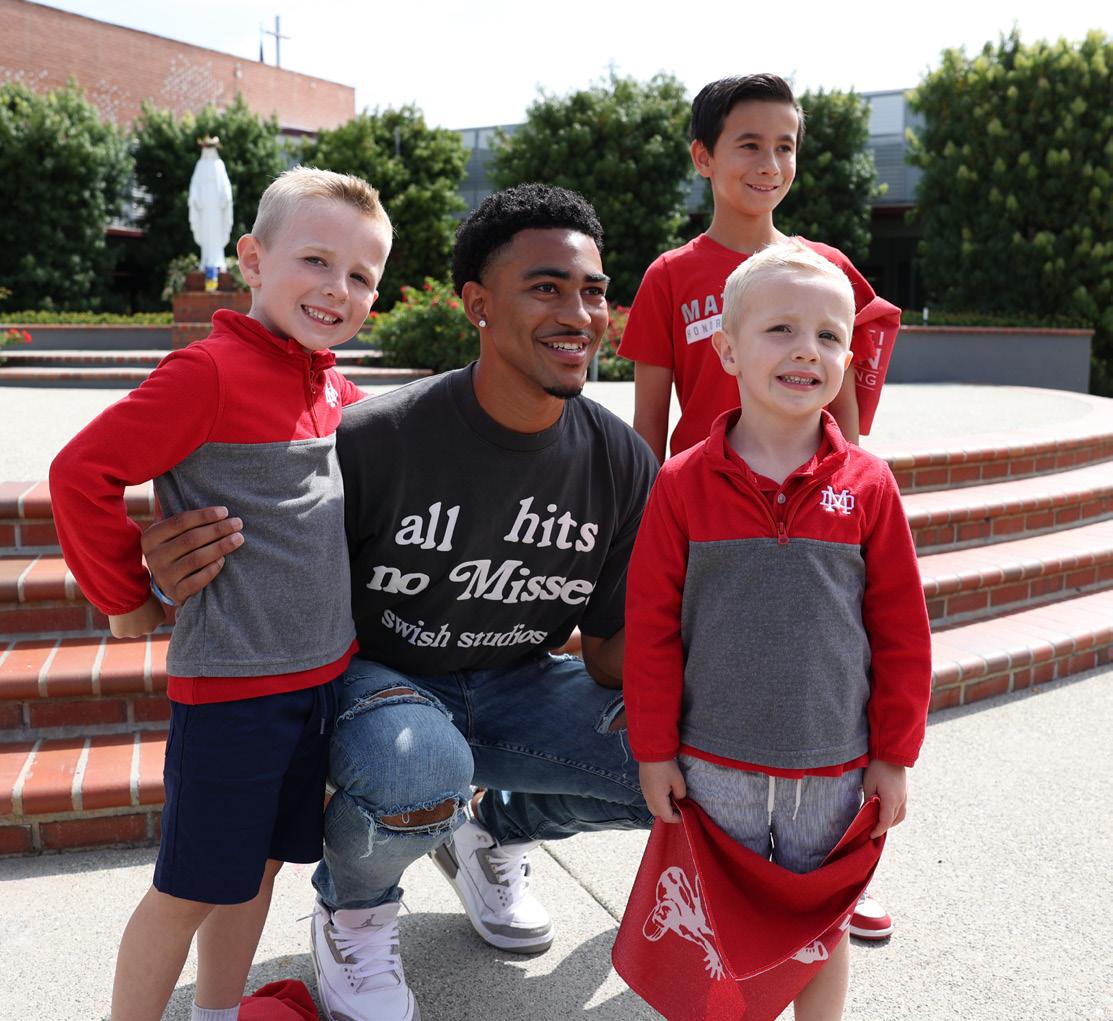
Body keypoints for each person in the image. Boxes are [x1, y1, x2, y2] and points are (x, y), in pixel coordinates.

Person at [142, 183, 660, 1021]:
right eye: (545, 287)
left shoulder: (620, 459)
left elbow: (609, 654)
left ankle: (495, 830)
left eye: (592, 291)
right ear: (477, 304)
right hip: (379, 689)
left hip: (517, 684)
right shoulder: (376, 436)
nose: (578, 314)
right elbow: (262, 537)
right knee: (417, 769)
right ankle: (355, 909)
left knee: (689, 759)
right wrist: (166, 574)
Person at [48, 167, 394, 1021]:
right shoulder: (207, 372)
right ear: (252, 258)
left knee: (260, 869)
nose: (338, 288)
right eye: (315, 260)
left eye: (360, 276)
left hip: (318, 684)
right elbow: (81, 472)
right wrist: (125, 595)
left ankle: (218, 1012)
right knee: (190, 887)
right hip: (235, 691)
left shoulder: (331, 387)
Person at [624, 240, 932, 1020]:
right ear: (727, 350)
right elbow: (651, 628)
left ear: (847, 359)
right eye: (780, 330)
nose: (806, 350)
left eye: (829, 335)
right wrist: (653, 748)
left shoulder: (868, 485)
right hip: (711, 761)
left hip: (832, 764)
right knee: (715, 930)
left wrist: (893, 755)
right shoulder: (680, 483)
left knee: (816, 931)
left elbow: (901, 631)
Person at [618, 73, 901, 468]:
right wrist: (651, 502)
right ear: (703, 157)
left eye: (784, 147)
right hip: (703, 494)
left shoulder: (827, 269)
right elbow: (649, 422)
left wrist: (851, 489)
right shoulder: (668, 275)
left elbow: (843, 411)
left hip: (807, 493)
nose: (770, 165)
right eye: (750, 145)